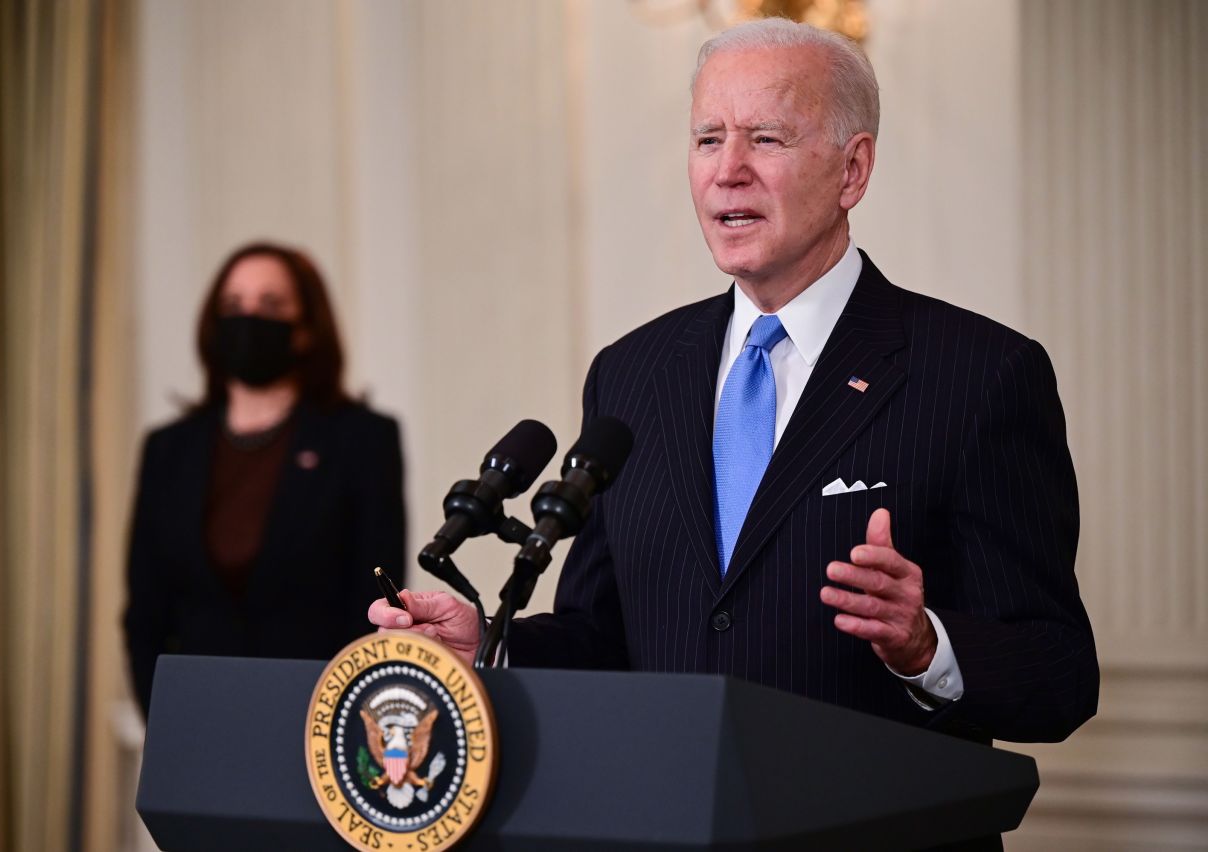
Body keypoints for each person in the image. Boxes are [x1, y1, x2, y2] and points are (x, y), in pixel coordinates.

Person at [370, 19, 1098, 745]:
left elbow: (1059, 674)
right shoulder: (632, 373)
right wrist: (492, 649)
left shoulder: (979, 374)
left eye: (767, 138)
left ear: (853, 170)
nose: (728, 169)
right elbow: (604, 637)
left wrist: (926, 646)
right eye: (708, 139)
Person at [126, 241, 405, 717]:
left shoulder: (361, 439)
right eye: (234, 305)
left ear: (305, 329)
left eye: (270, 305)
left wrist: (342, 719)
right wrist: (162, 716)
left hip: (316, 716)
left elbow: (372, 599)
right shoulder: (169, 449)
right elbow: (145, 606)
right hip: (193, 714)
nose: (249, 318)